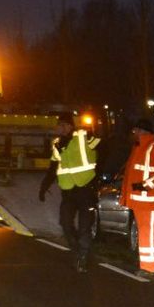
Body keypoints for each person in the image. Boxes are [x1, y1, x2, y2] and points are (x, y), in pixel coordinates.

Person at [39, 112, 100, 273]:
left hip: (86, 189)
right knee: (65, 223)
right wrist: (44, 187)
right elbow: (53, 169)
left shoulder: (84, 137)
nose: (58, 128)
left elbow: (103, 147)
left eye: (60, 125)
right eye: (58, 125)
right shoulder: (58, 144)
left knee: (84, 228)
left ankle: (83, 257)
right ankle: (78, 251)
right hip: (68, 192)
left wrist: (99, 176)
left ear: (69, 125)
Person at [119, 118, 154, 275]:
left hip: (149, 199)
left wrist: (146, 185)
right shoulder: (139, 147)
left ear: (142, 131)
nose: (133, 134)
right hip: (142, 199)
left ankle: (147, 267)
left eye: (135, 131)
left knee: (146, 231)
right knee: (150, 231)